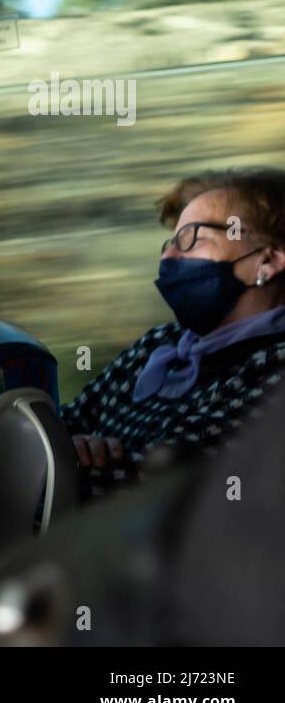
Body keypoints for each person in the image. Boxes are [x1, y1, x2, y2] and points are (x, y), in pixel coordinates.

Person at [62, 168, 285, 495]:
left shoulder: (274, 367)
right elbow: (63, 423)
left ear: (266, 262)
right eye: (170, 242)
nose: (168, 257)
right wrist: (70, 446)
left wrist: (58, 461)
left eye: (192, 238)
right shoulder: (157, 345)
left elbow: (172, 482)